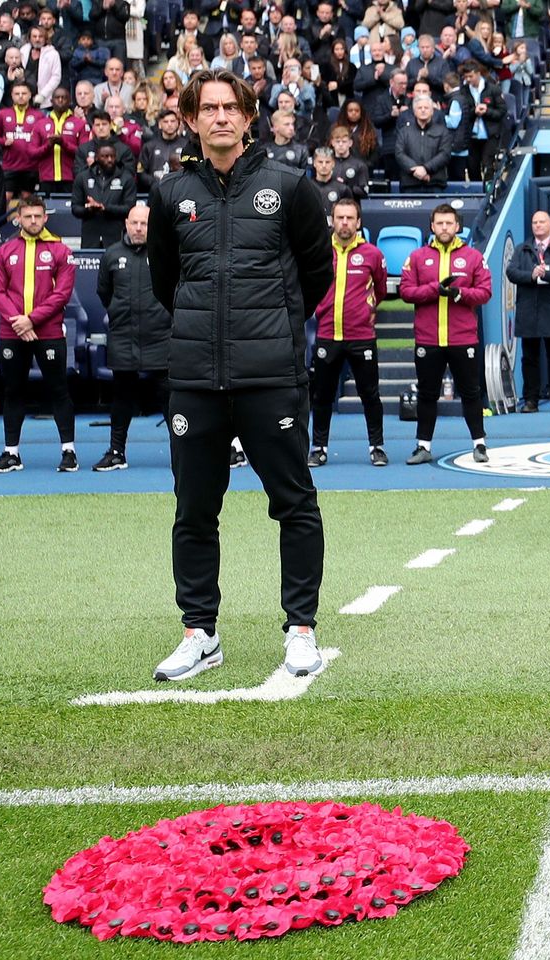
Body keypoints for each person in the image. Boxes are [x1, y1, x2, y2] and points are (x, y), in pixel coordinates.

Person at [145, 68, 333, 683]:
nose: (221, 117)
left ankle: (301, 628)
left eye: (232, 107)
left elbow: (316, 274)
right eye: (209, 108)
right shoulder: (171, 194)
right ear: (192, 119)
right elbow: (167, 284)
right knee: (193, 509)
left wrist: (270, 327)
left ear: (248, 118)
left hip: (270, 374)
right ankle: (200, 633)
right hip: (195, 377)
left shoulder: (290, 186)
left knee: (293, 502)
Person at [0, 194, 76, 474]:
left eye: (38, 216)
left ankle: (68, 451)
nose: (34, 221)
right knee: (13, 391)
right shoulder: (4, 251)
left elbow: (62, 294)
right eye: (28, 216)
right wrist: (19, 322)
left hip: (48, 331)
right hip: (13, 332)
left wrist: (31, 320)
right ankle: (11, 453)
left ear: (45, 217)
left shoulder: (60, 249)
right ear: (19, 219)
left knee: (58, 390)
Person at [399, 203, 492, 465]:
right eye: (439, 223)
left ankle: (480, 444)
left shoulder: (473, 256)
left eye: (449, 223)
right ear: (432, 226)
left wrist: (459, 294)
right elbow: (406, 291)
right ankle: (423, 446)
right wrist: (434, 290)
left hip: (463, 338)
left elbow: (485, 292)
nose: (444, 228)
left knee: (471, 393)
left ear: (457, 226)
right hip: (428, 339)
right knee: (428, 394)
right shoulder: (417, 257)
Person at [309, 198, 388, 467]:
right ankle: (318, 448)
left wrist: (366, 310)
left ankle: (377, 447)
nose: (344, 223)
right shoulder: (319, 251)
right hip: (328, 334)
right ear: (332, 220)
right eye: (340, 217)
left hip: (361, 335)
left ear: (359, 222)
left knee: (370, 395)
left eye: (350, 218)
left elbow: (380, 289)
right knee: (321, 396)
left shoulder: (373, 254)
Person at [92, 204, 169, 471]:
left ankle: (183, 454)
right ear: (126, 223)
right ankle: (116, 452)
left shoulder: (166, 253)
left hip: (161, 338)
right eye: (134, 223)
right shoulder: (111, 255)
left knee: (171, 399)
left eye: (144, 223)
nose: (138, 228)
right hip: (124, 337)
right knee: (122, 400)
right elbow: (104, 294)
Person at [505, 210, 550, 414]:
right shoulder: (522, 249)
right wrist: (531, 275)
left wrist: (548, 274)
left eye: (542, 221)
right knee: (529, 359)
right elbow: (512, 272)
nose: (538, 225)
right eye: (534, 222)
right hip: (528, 310)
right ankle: (531, 400)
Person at [71, 140, 136, 248]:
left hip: (116, 237)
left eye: (112, 156)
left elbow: (129, 209)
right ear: (96, 158)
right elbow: (75, 208)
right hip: (90, 236)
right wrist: (89, 209)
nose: (109, 160)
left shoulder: (126, 178)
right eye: (105, 157)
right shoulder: (82, 178)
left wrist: (105, 208)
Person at [0, 80, 45, 201]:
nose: (20, 96)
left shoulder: (39, 115)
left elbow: (44, 139)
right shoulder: (2, 114)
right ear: (11, 95)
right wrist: (3, 142)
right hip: (9, 166)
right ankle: (2, 221)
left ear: (30, 95)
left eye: (24, 93)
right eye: (17, 93)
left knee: (27, 199)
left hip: (31, 166)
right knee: (5, 198)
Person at [36, 85, 86, 193]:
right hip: (46, 177)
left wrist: (63, 143)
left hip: (71, 177)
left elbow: (84, 153)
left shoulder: (79, 124)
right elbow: (32, 152)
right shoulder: (40, 124)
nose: (60, 100)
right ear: (51, 101)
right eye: (57, 97)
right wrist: (48, 145)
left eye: (64, 97)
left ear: (70, 101)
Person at [396, 94, 449, 191]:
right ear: (414, 111)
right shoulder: (404, 132)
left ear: (432, 111)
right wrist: (415, 170)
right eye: (420, 108)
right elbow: (399, 153)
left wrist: (426, 168)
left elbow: (445, 154)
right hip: (410, 184)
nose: (423, 110)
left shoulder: (442, 131)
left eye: (426, 107)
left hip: (434, 183)